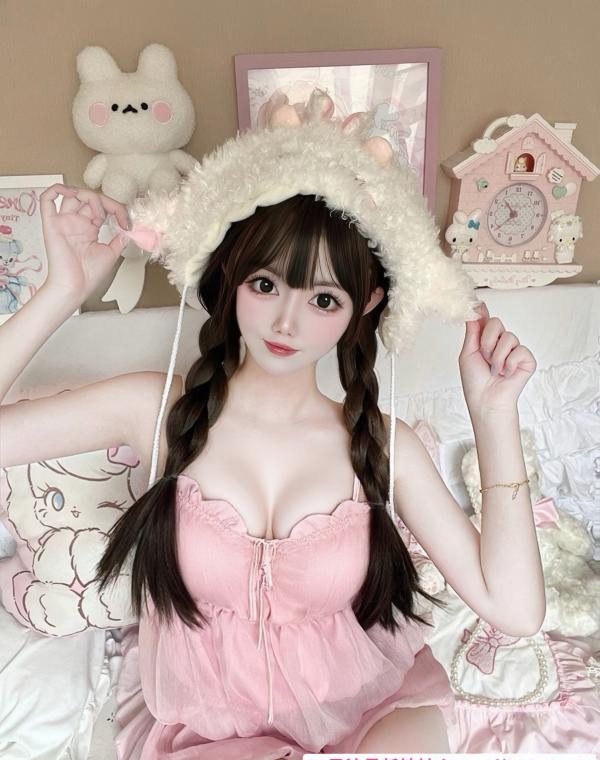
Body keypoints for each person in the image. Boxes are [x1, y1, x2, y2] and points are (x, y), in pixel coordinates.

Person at [0, 105, 545, 758]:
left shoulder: (382, 445)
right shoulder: (156, 410)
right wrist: (62, 292)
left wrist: (493, 414)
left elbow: (515, 611)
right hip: (208, 729)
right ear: (231, 275)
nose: (288, 322)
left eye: (323, 299)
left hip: (368, 713)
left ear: (367, 304)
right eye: (265, 284)